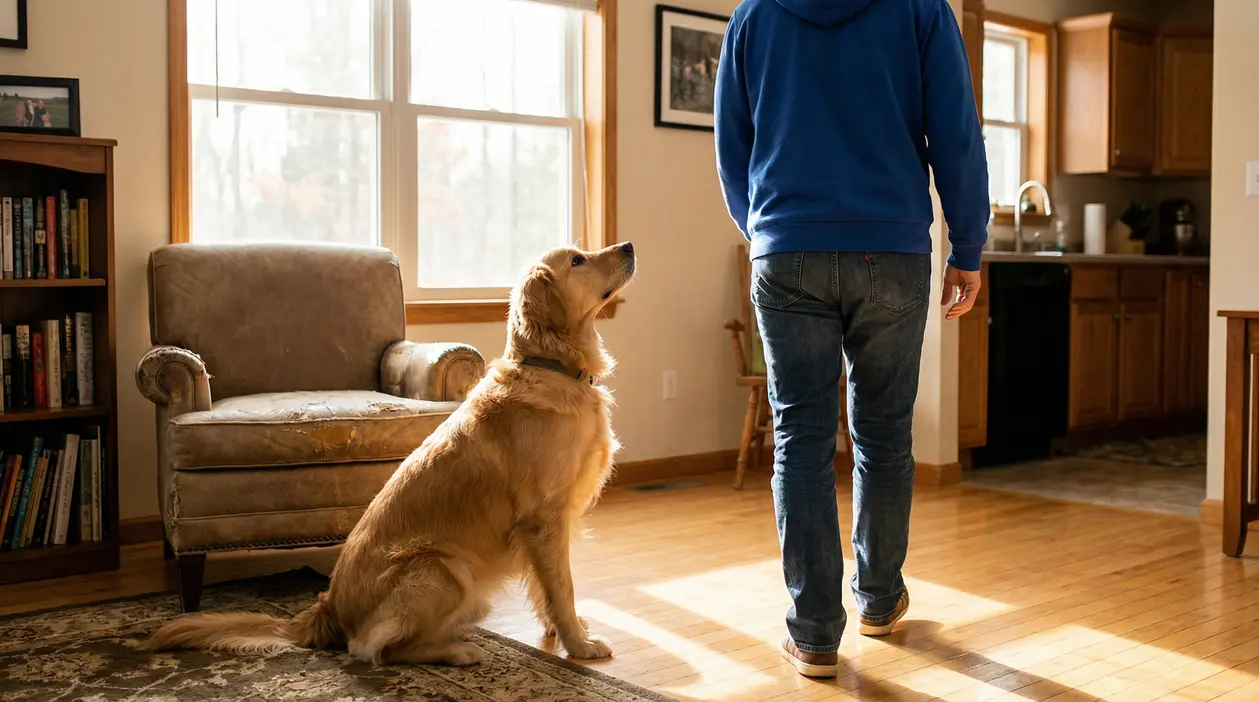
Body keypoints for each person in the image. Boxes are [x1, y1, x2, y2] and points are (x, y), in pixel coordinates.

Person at [714, 0, 989, 678]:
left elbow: (732, 147)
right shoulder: (920, 9)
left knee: (800, 438)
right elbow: (955, 131)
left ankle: (812, 634)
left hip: (786, 249)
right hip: (891, 250)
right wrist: (967, 245)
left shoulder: (752, 15)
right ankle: (879, 600)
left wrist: (767, 234)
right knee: (884, 433)